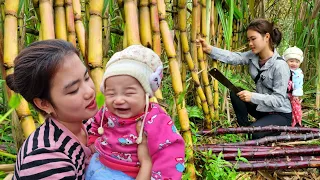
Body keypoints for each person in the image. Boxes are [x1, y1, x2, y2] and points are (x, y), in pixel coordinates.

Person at [6, 39, 151, 179]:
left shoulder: (90, 124)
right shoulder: (45, 160)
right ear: (44, 104)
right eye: (73, 90)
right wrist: (146, 164)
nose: (89, 91)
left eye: (86, 78)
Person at [86, 45, 185, 180]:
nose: (118, 100)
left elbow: (170, 152)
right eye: (111, 93)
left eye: (129, 93)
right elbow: (96, 123)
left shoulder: (155, 119)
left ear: (147, 93)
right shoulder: (106, 110)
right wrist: (92, 141)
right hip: (97, 164)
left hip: (129, 174)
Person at [198, 18, 292, 139]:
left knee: (256, 134)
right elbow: (233, 57)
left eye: (253, 39)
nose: (250, 44)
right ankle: (245, 127)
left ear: (267, 37)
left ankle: (260, 130)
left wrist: (253, 96)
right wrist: (209, 49)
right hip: (263, 110)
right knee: (236, 92)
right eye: (249, 40)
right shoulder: (253, 56)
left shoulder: (280, 66)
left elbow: (278, 100)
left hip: (280, 114)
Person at [283, 46, 304, 127]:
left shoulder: (298, 73)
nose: (294, 64)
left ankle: (296, 124)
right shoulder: (283, 70)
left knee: (295, 109)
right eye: (291, 61)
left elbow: (298, 85)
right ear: (286, 61)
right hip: (284, 94)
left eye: (297, 62)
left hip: (293, 95)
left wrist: (296, 94)